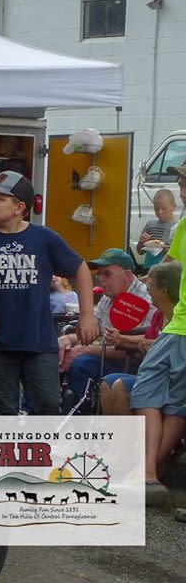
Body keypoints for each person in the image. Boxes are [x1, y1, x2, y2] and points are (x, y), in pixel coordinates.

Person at [0, 171, 97, 415]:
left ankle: (43, 453)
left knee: (48, 404)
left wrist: (87, 315)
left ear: (19, 207)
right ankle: (9, 453)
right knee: (4, 410)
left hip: (38, 343)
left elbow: (80, 268)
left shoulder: (43, 238)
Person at [133, 163, 186, 504]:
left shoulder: (183, 226)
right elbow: (170, 267)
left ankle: (148, 473)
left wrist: (145, 277)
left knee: (147, 387)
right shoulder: (181, 226)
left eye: (185, 184)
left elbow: (167, 269)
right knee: (178, 402)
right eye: (181, 184)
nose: (182, 190)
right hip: (178, 325)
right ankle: (150, 476)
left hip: (181, 327)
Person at [59, 248, 155, 404]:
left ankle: (82, 418)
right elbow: (93, 329)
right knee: (55, 351)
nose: (101, 279)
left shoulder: (146, 301)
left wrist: (85, 349)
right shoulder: (109, 295)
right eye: (99, 273)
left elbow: (137, 353)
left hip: (134, 366)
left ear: (127, 276)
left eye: (107, 274)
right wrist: (67, 339)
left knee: (81, 363)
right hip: (105, 356)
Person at [100, 261, 180, 415]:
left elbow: (166, 345)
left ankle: (132, 437)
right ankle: (116, 437)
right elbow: (146, 342)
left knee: (120, 385)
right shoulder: (158, 314)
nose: (147, 289)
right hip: (149, 373)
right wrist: (134, 342)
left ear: (164, 291)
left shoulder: (179, 318)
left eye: (150, 285)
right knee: (106, 383)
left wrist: (127, 341)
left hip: (169, 379)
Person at [137, 188, 177, 270]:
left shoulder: (177, 227)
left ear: (173, 206)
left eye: (164, 208)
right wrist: (142, 242)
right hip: (148, 268)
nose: (160, 212)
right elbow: (140, 252)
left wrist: (163, 247)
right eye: (156, 209)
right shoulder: (150, 225)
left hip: (166, 270)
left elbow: (176, 258)